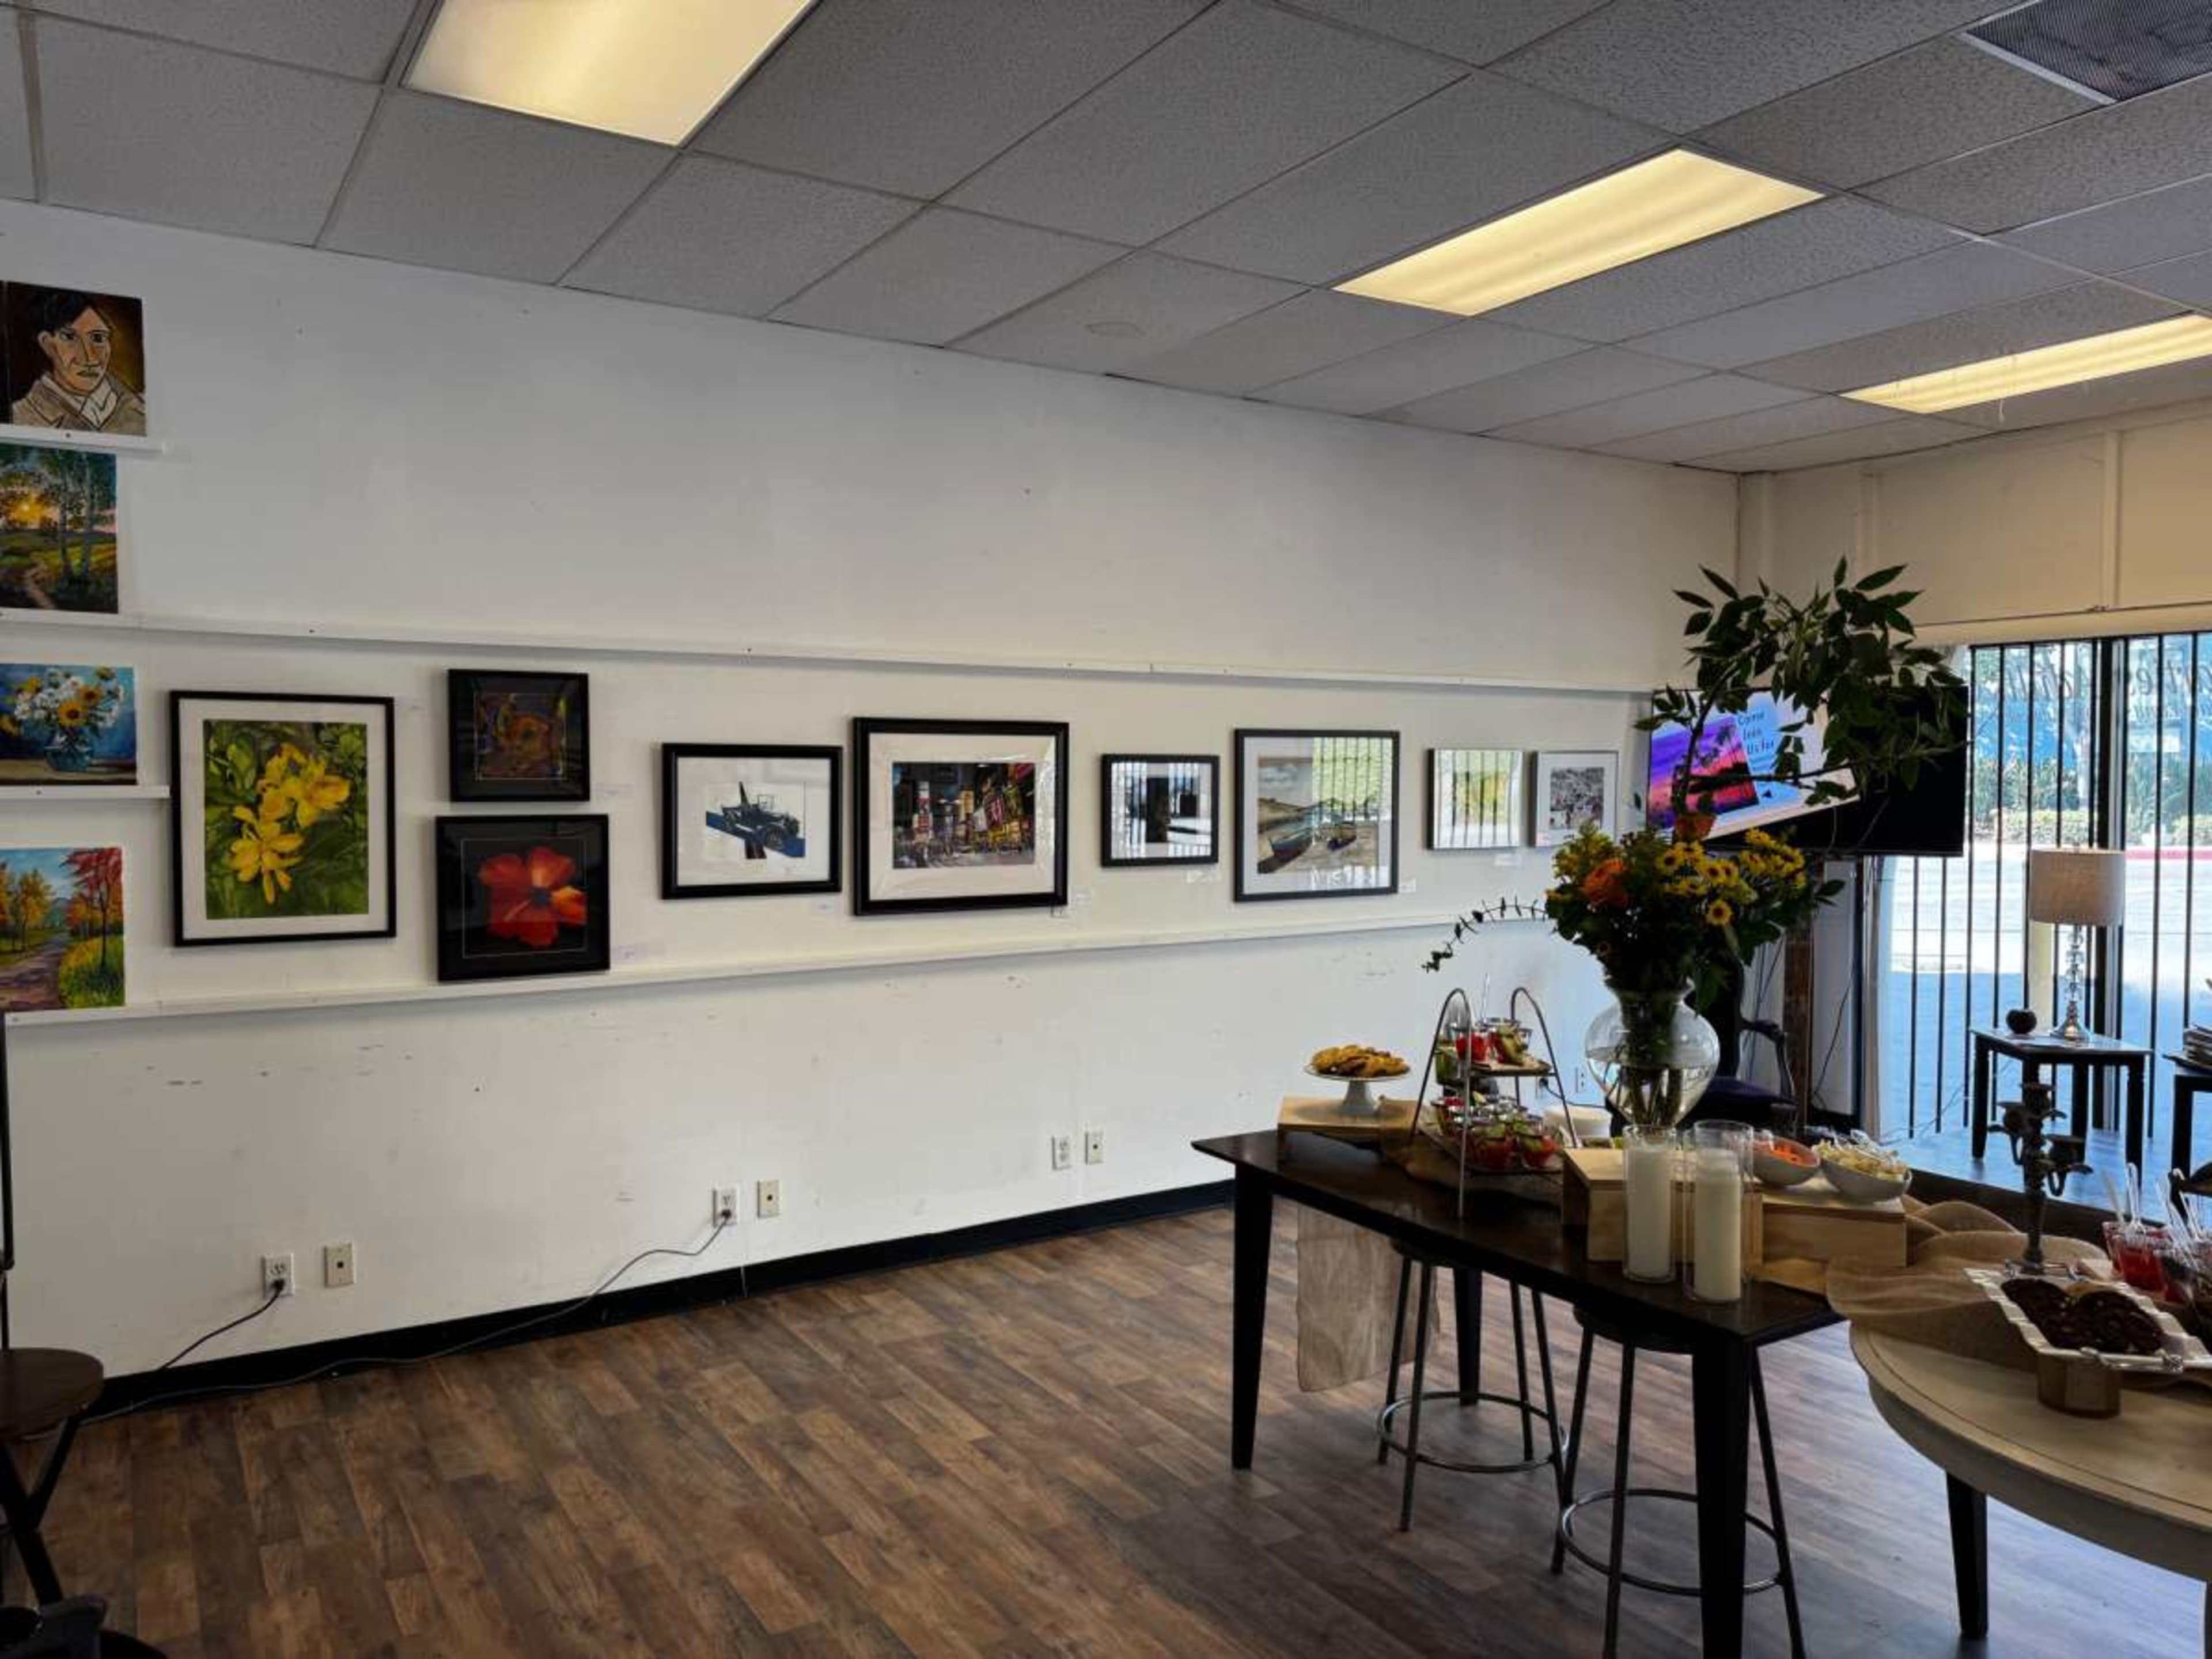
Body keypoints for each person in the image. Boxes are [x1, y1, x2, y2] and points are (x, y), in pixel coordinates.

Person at [11, 288, 146, 435]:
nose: (89, 358)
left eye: (98, 338)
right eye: (70, 338)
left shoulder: (143, 408)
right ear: (48, 344)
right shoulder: (21, 417)